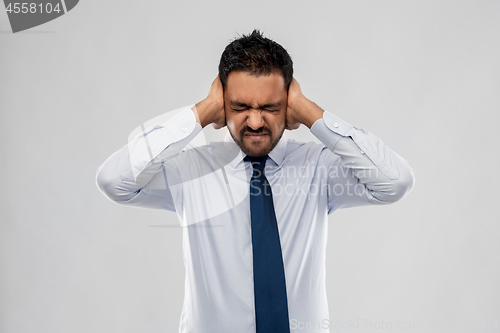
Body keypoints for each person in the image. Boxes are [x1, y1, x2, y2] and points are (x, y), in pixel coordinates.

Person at [96, 30, 415, 333]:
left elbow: (394, 182)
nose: (255, 121)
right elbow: (114, 180)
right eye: (240, 106)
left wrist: (310, 113)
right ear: (223, 103)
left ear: (287, 104)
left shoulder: (319, 167)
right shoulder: (191, 169)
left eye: (270, 107)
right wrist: (202, 111)